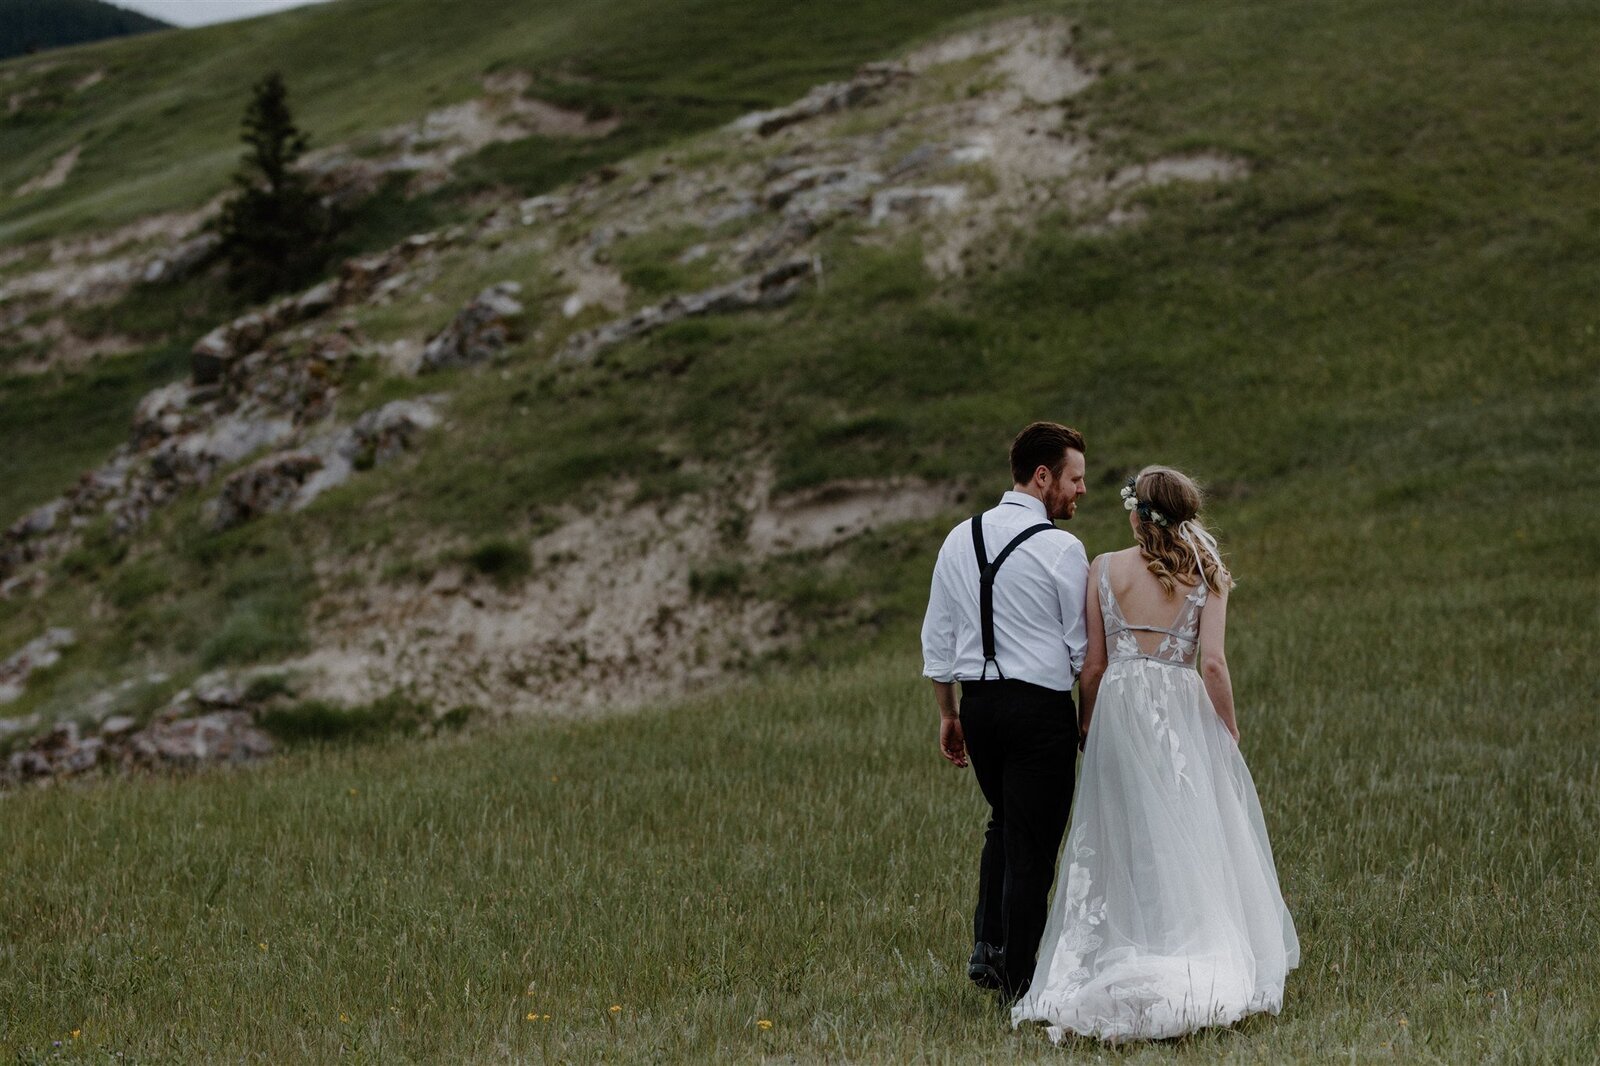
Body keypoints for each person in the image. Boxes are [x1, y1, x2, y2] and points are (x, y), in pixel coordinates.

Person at [1012, 466, 1299, 1042]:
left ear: (1136, 513)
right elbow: (1212, 664)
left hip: (1119, 709)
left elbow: (1092, 667)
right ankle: (1182, 944)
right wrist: (1229, 729)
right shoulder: (1207, 574)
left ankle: (1123, 946)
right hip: (1176, 711)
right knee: (1187, 831)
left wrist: (1089, 726)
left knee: (1119, 833)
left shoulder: (1103, 568)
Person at [921, 421, 1090, 999]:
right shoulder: (1061, 549)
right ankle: (1021, 980)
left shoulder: (957, 538)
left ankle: (988, 948)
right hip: (1039, 712)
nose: (1080, 491)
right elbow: (1081, 649)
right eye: (1074, 478)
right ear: (1042, 477)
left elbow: (938, 641)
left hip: (980, 710)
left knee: (1004, 824)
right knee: (1035, 846)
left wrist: (950, 715)